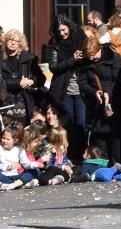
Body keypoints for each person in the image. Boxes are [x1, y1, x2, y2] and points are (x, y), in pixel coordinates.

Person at [45, 16, 88, 149]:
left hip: (81, 88)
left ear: (69, 27)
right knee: (67, 123)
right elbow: (53, 67)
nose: (62, 34)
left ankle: (81, 152)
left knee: (82, 122)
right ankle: (69, 153)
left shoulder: (80, 38)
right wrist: (72, 60)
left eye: (64, 30)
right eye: (59, 31)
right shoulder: (54, 44)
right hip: (64, 89)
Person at [1, 29, 46, 123]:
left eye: (16, 41)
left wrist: (32, 81)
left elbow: (41, 78)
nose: (13, 43)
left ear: (20, 44)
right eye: (10, 40)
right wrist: (18, 83)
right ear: (5, 41)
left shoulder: (28, 59)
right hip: (5, 101)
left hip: (26, 101)